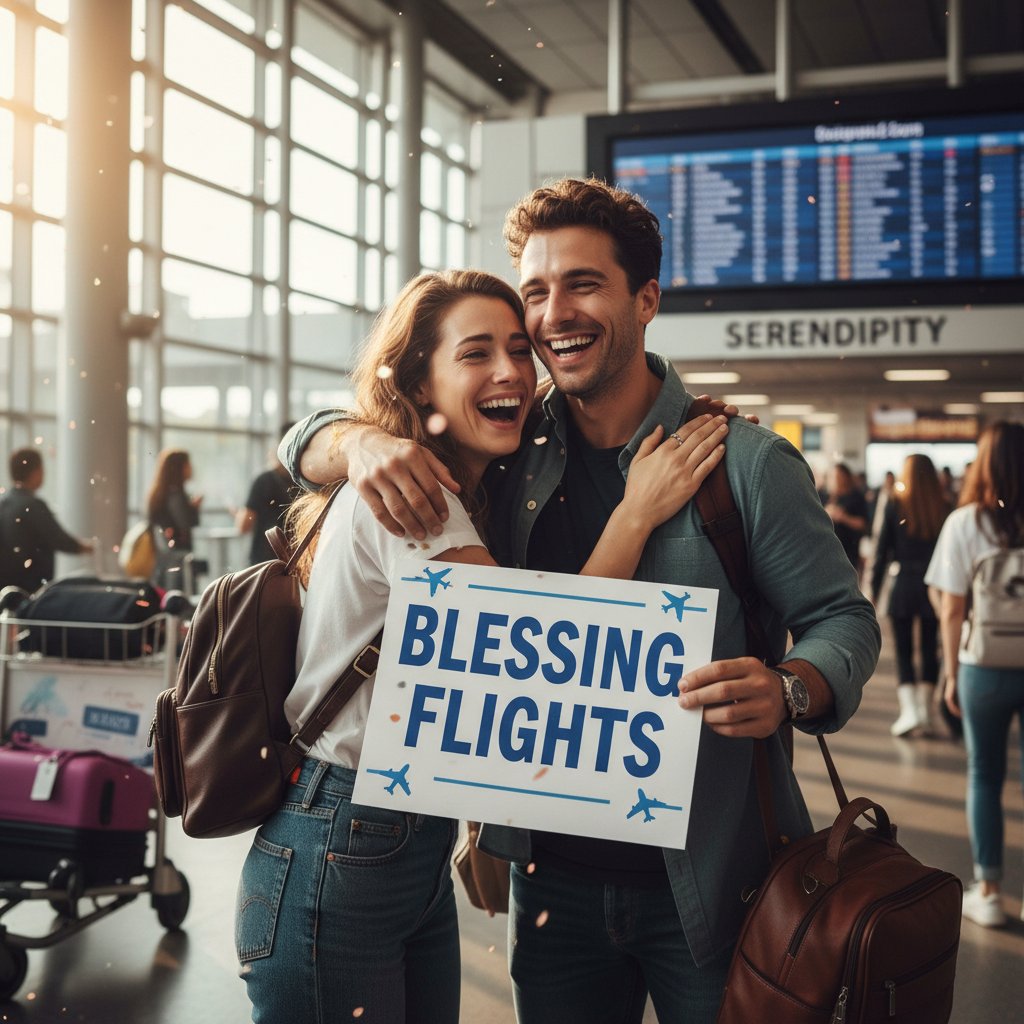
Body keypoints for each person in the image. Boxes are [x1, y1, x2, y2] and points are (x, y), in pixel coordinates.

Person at [280, 178, 879, 1023]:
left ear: (647, 299)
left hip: (713, 882)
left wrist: (790, 687)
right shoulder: (510, 450)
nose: (554, 314)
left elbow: (843, 619)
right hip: (551, 886)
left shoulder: (742, 464)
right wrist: (359, 439)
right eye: (535, 292)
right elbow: (310, 443)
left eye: (584, 285)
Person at [237, 268, 729, 1024]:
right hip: (344, 833)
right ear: (419, 384)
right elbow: (553, 650)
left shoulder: (457, 487)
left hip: (390, 836)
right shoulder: (415, 499)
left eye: (517, 350)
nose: (510, 372)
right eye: (475, 353)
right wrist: (637, 511)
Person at [925, 421, 1024, 928]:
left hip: (982, 667)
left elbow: (950, 609)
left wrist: (949, 674)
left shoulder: (965, 523)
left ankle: (988, 891)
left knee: (984, 774)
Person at [870, 454, 951, 737]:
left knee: (903, 650)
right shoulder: (944, 505)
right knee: (930, 648)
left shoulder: (895, 503)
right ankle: (926, 711)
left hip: (902, 583)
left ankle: (910, 712)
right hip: (934, 585)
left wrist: (873, 590)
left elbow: (882, 551)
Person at [0, 447, 94, 594]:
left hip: (5, 587)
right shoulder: (33, 505)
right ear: (35, 472)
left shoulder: (3, 503)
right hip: (29, 588)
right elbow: (58, 538)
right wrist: (84, 547)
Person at [235, 424, 297, 565]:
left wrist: (239, 515)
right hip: (296, 559)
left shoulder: (264, 480)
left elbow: (243, 526)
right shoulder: (306, 483)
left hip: (265, 562)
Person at [146, 448, 201, 588]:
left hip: (165, 559)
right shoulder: (175, 494)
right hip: (178, 559)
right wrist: (193, 509)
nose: (191, 469)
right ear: (179, 468)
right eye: (188, 465)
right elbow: (184, 523)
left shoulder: (161, 494)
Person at [822, 462, 869, 571]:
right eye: (833, 477)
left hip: (849, 551)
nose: (836, 480)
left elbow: (863, 524)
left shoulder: (855, 497)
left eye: (839, 477)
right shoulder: (824, 496)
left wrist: (843, 517)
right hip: (827, 552)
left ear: (846, 477)